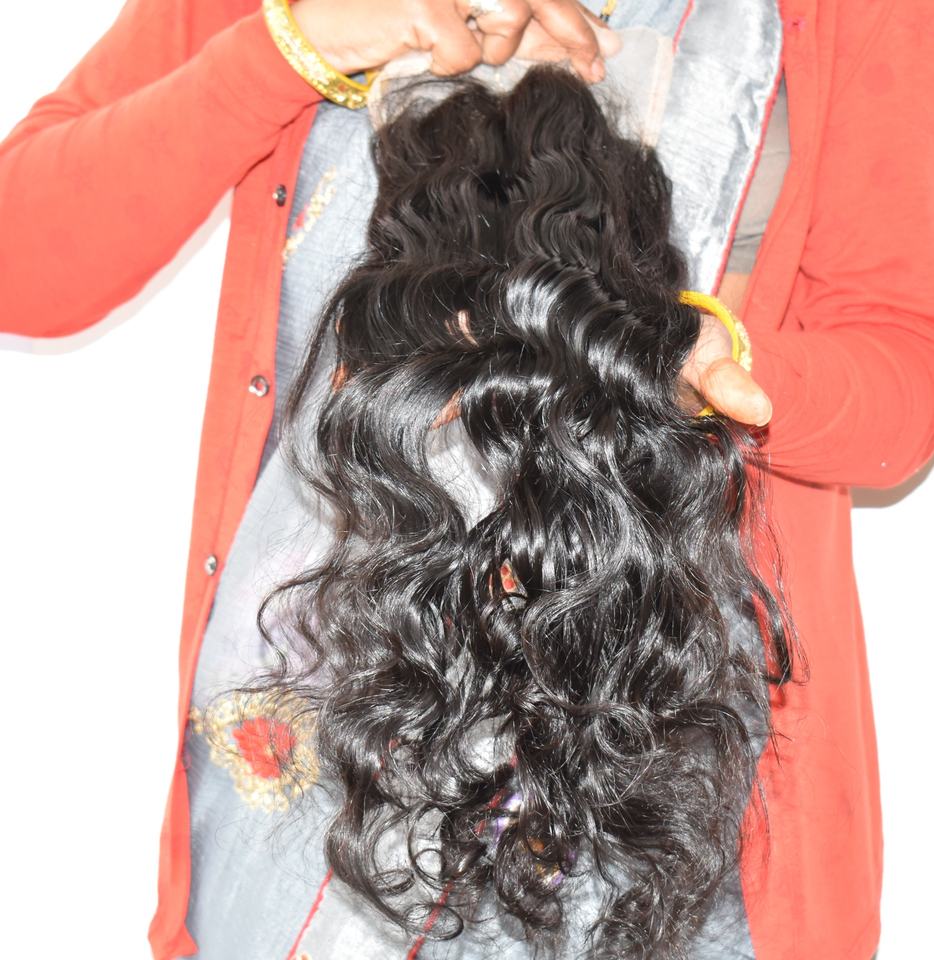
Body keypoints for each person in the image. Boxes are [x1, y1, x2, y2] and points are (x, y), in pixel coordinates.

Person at [1, 1, 931, 958]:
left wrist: (704, 360)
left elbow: (902, 383)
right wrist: (295, 42)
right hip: (310, 739)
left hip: (656, 752)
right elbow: (23, 254)